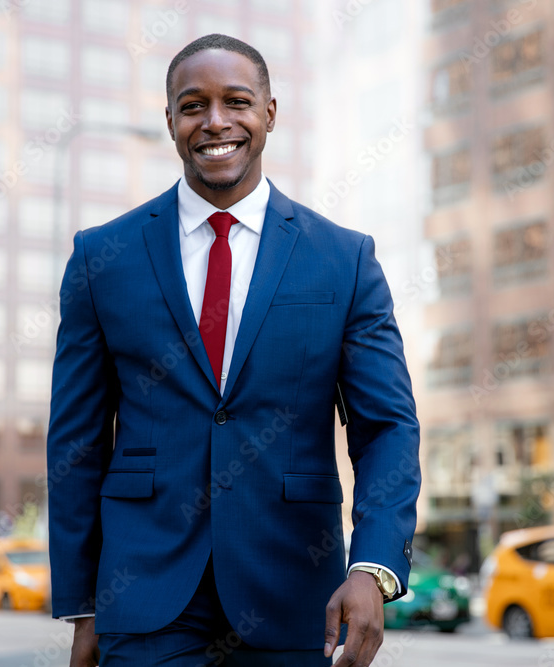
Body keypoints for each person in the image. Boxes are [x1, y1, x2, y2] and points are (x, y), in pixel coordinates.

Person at [46, 34, 420, 667]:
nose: (215, 122)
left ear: (269, 112)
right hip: (143, 597)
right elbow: (76, 442)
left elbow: (386, 426)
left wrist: (373, 565)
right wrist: (83, 606)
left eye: (236, 102)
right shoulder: (100, 258)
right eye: (193, 105)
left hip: (298, 593)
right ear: (170, 121)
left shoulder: (344, 259)